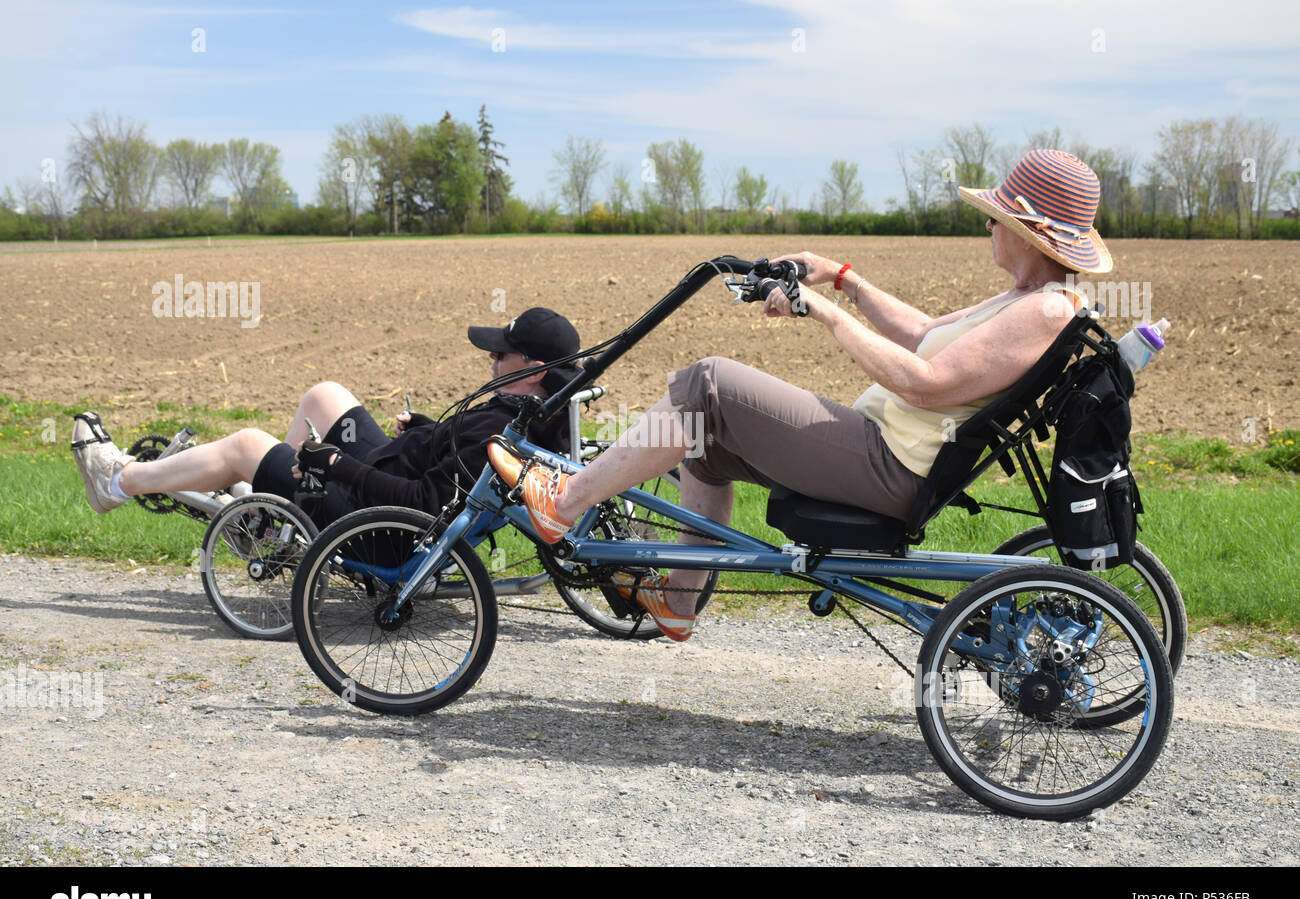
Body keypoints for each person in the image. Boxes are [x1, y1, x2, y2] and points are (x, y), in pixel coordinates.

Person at [488, 150, 1111, 641]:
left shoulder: (1044, 310)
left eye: (998, 217)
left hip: (887, 464)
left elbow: (926, 383)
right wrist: (841, 277)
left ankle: (564, 503)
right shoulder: (1026, 300)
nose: (987, 225)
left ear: (1031, 232)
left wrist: (824, 313)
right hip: (881, 450)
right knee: (706, 442)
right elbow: (924, 335)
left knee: (707, 381)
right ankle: (676, 604)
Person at [72, 307, 581, 529]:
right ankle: (273, 515)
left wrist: (335, 462)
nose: (490, 361)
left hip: (376, 515)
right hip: (387, 468)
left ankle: (116, 482)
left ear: (533, 371)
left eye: (500, 356)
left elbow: (426, 503)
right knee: (325, 394)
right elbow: (455, 465)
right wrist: (427, 428)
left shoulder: (499, 432)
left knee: (246, 444)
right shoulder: (527, 415)